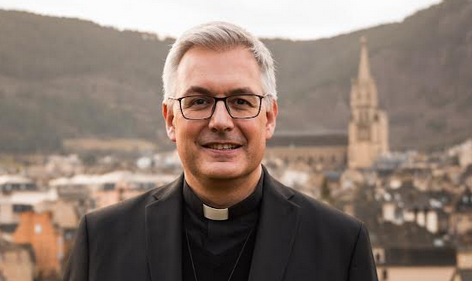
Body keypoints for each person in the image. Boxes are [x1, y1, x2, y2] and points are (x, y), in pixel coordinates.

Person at [64, 22, 378, 281]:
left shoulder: (340, 245)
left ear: (268, 118)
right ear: (170, 120)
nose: (221, 122)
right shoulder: (103, 239)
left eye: (241, 101)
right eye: (198, 101)